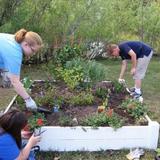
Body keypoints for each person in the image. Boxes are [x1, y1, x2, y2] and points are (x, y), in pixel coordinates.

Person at [0, 29, 43, 111]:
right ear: (26, 44)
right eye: (33, 51)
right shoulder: (14, 52)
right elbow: (15, 81)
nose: (33, 54)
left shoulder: (14, 40)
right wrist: (28, 100)